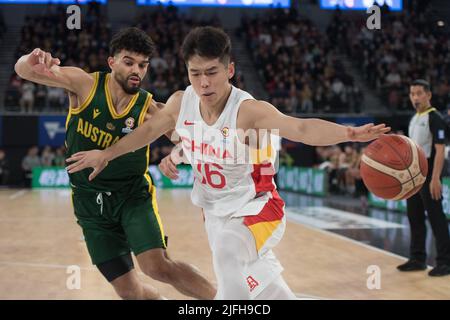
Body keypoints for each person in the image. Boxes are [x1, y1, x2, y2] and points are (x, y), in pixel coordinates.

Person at [66, 26, 390, 299]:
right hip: (216, 214)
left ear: (229, 70)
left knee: (227, 256)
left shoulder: (248, 111)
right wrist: (120, 154)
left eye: (212, 72)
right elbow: (150, 131)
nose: (204, 83)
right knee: (266, 291)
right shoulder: (182, 102)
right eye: (195, 73)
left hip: (258, 209)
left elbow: (302, 128)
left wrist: (350, 132)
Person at [14, 27, 216, 300]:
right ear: (112, 62)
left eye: (143, 65)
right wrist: (32, 59)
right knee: (130, 293)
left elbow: (187, 141)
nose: (137, 70)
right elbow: (24, 71)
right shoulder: (84, 84)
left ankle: (224, 300)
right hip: (89, 203)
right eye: (129, 62)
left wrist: (179, 153)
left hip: (131, 196)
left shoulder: (148, 108)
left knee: (156, 267)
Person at [397, 79, 450, 276]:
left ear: (428, 95)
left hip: (429, 175)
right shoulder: (414, 118)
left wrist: (436, 178)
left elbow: (440, 150)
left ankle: (445, 262)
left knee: (437, 218)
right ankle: (417, 258)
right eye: (412, 94)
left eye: (419, 93)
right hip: (414, 176)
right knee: (414, 217)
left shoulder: (434, 118)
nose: (416, 97)